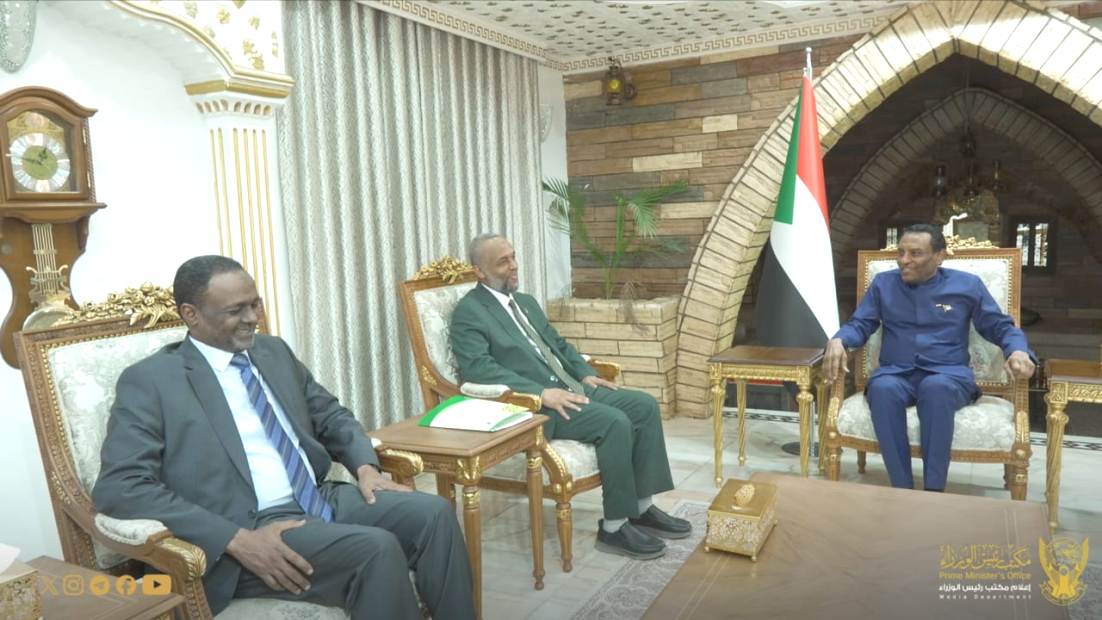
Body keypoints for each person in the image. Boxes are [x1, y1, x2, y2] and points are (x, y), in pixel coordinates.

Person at [92, 256, 475, 619]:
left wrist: (365, 467)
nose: (252, 318)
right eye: (236, 310)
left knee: (434, 514)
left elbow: (330, 415)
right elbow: (120, 486)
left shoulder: (273, 352)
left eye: (255, 304)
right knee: (376, 549)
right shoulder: (152, 381)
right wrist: (235, 538)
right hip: (248, 527)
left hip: (317, 498)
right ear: (191, 314)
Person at [449, 233, 690, 560]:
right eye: (503, 262)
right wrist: (541, 393)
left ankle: (641, 508)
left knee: (644, 406)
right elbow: (479, 369)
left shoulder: (525, 302)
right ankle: (614, 528)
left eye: (513, 256)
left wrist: (584, 372)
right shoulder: (470, 312)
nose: (514, 266)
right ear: (479, 271)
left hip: (571, 386)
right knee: (614, 422)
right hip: (534, 406)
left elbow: (558, 344)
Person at [823, 224, 1036, 491]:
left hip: (948, 375)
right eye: (901, 252)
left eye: (915, 253)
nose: (904, 260)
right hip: (896, 373)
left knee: (936, 388)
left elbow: (999, 326)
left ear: (939, 256)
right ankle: (902, 489)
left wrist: (1017, 350)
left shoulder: (967, 285)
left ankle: (934, 492)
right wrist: (840, 339)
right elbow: (861, 323)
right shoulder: (883, 284)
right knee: (882, 389)